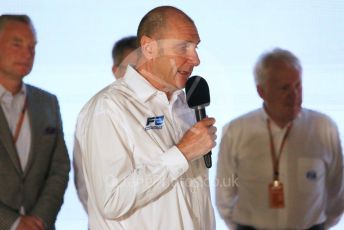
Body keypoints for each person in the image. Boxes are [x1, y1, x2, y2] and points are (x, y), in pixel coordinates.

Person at [74, 6, 216, 229]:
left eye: (195, 47)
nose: (196, 59)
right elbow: (112, 200)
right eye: (184, 47)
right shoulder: (108, 107)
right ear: (149, 48)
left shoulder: (186, 105)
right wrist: (183, 152)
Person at [216, 48, 344, 230]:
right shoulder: (236, 131)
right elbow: (224, 194)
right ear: (261, 91)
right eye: (284, 88)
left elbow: (337, 193)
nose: (294, 95)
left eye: (297, 85)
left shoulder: (324, 127)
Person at [0, 14, 70, 230]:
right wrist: (12, 223)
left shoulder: (47, 101)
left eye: (32, 47)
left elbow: (59, 168)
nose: (27, 53)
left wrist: (39, 220)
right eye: (17, 44)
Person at [73, 35, 137, 214]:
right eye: (132, 69)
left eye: (145, 67)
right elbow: (84, 183)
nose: (140, 76)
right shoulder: (98, 111)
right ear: (115, 70)